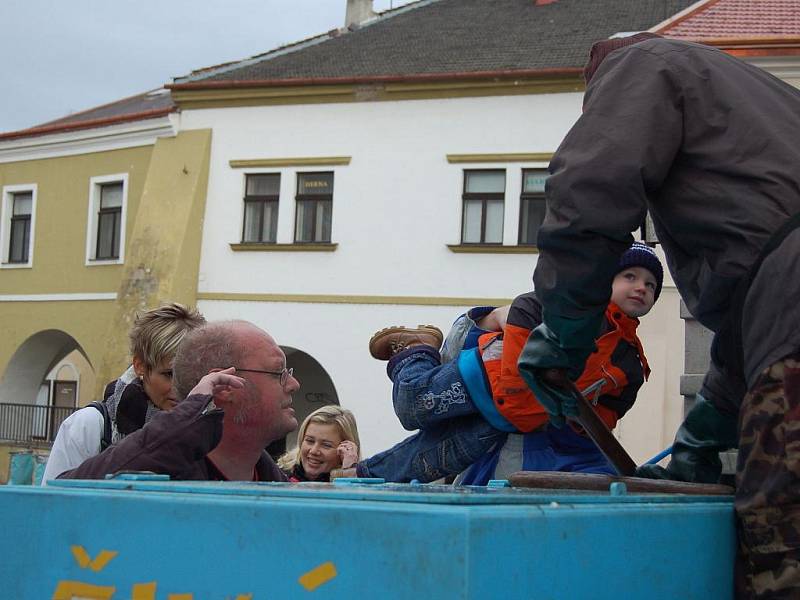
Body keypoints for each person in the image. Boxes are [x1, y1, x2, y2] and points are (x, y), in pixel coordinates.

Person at [516, 33, 800, 599]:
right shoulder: (765, 105)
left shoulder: (640, 66)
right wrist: (706, 426)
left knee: (780, 539)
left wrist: (567, 327)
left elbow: (588, 194)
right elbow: (761, 303)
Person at [351, 242, 661, 483]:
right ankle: (419, 347)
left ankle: (362, 475)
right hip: (482, 379)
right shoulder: (574, 308)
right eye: (629, 276)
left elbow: (611, 407)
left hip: (513, 419)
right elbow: (524, 307)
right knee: (412, 406)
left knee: (440, 455)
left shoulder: (631, 359)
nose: (640, 287)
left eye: (650, 285)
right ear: (606, 280)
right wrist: (514, 385)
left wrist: (579, 427)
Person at [58, 320, 299, 482]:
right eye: (278, 373)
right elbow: (60, 497)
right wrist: (187, 416)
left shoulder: (271, 478)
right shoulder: (161, 480)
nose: (293, 384)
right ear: (225, 386)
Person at [42, 302, 206, 483]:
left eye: (189, 376)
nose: (179, 387)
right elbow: (52, 503)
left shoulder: (207, 427)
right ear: (140, 366)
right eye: (169, 374)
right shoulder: (89, 425)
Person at [278, 405, 361, 482]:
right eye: (310, 441)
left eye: (326, 445)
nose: (313, 451)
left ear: (346, 450)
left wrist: (348, 471)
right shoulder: (277, 475)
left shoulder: (363, 484)